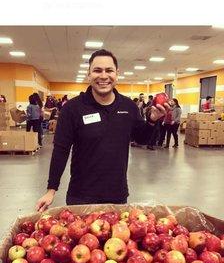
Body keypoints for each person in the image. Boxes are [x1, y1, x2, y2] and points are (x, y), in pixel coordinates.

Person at [36, 49, 169, 212]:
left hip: (117, 196)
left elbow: (141, 139)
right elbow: (61, 149)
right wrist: (51, 189)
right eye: (97, 70)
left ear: (116, 74)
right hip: (81, 197)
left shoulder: (128, 107)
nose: (103, 76)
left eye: (109, 70)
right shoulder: (73, 108)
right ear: (89, 74)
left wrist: (151, 121)